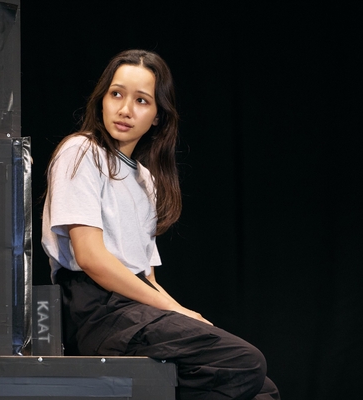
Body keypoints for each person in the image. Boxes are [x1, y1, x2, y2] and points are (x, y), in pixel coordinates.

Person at [42, 49, 280, 400]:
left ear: (157, 116)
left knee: (262, 390)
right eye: (116, 94)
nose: (125, 109)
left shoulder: (146, 180)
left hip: (134, 306)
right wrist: (173, 310)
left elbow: (147, 277)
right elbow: (91, 257)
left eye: (141, 100)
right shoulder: (81, 151)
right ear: (101, 99)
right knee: (243, 363)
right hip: (94, 310)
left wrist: (185, 313)